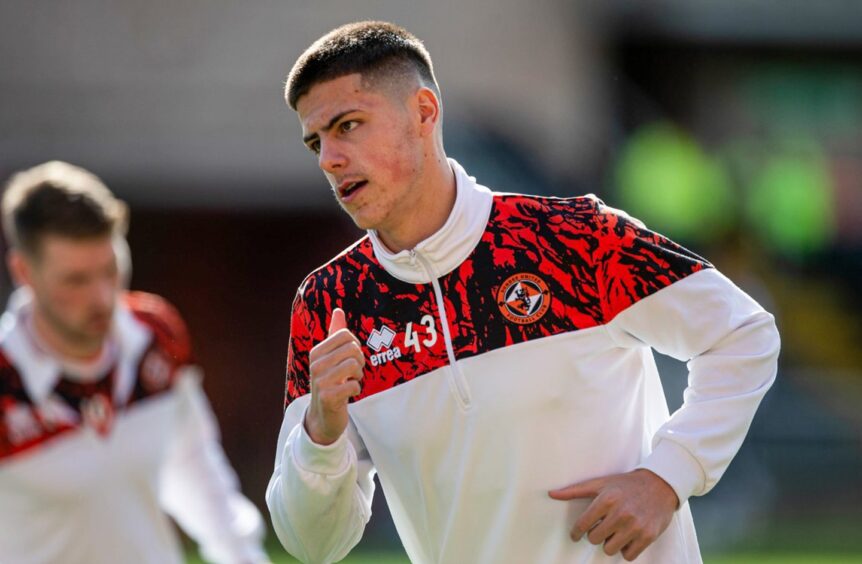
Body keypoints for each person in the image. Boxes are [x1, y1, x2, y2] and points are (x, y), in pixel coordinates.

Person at [265, 21, 780, 564]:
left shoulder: (574, 236)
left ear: (423, 113)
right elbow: (312, 546)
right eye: (316, 141)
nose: (329, 159)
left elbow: (743, 333)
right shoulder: (329, 304)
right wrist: (320, 437)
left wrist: (667, 476)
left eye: (349, 125)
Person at [0, 161, 270, 564]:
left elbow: (199, 475)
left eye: (111, 270)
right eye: (76, 280)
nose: (103, 297)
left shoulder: (155, 335)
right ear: (24, 271)